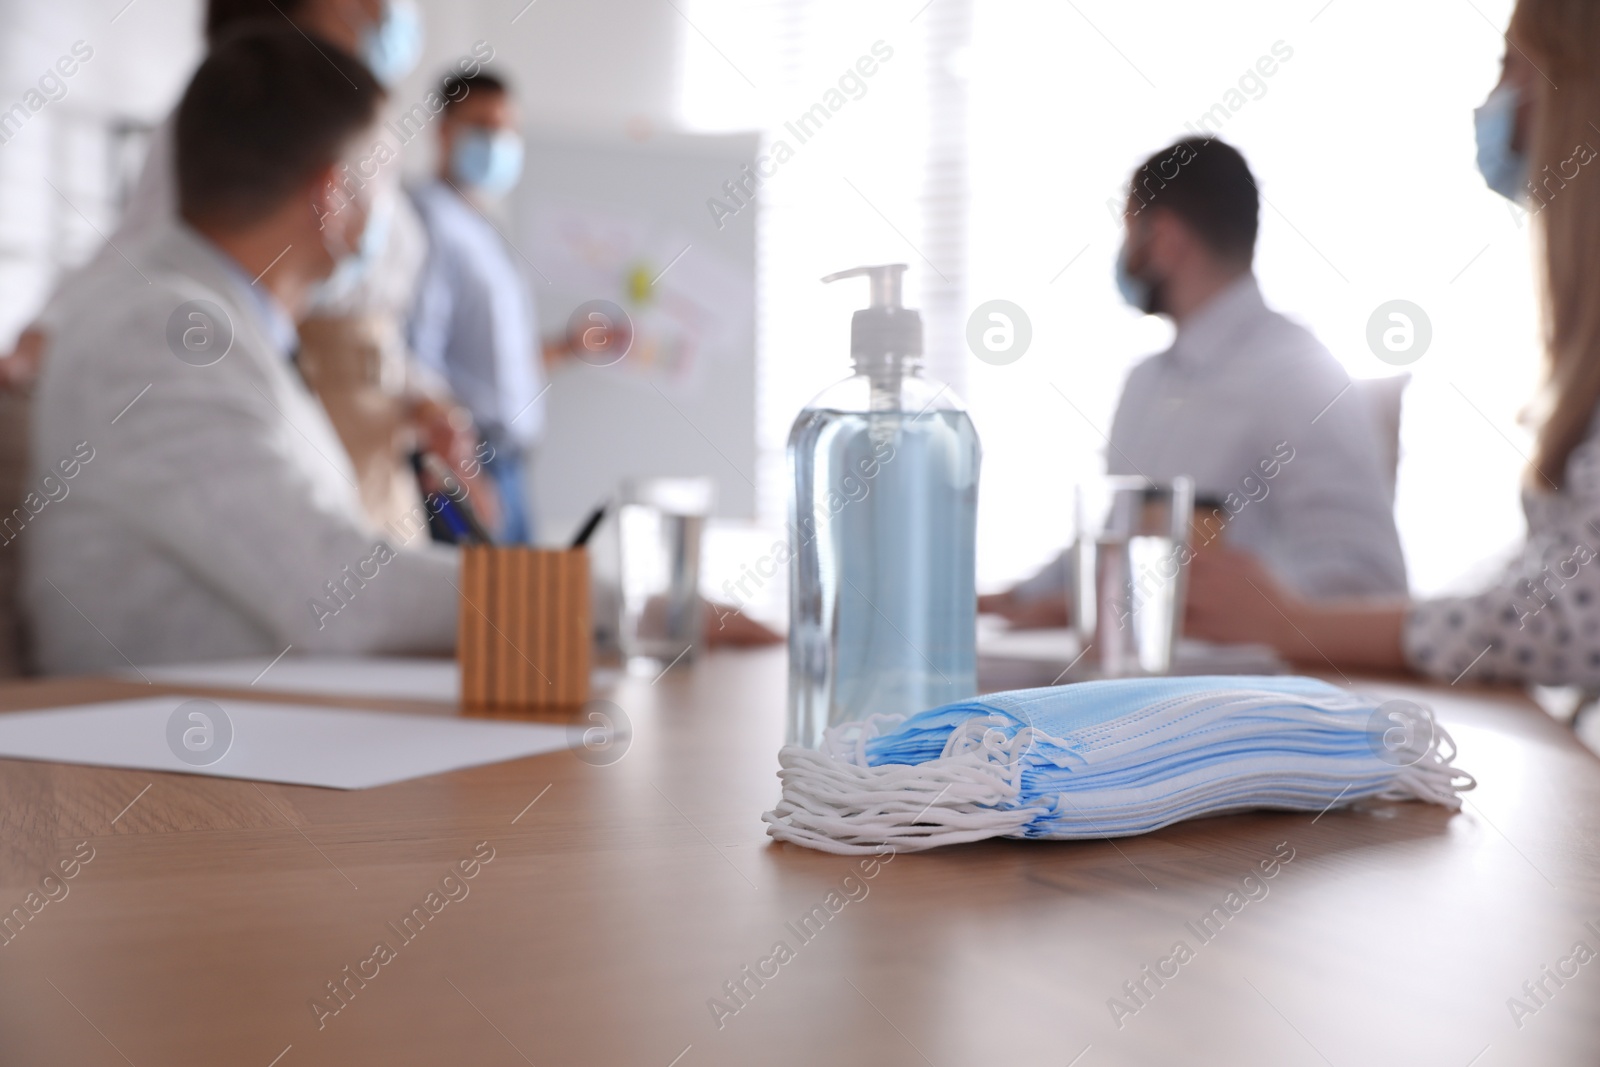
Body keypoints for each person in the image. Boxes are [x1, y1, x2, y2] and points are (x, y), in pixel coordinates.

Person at [1185, 0, 1600, 685]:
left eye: (1508, 66)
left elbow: (1575, 616)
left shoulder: (1294, 376)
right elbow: (1549, 571)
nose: (1493, 100)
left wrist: (1294, 622)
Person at [23, 28, 457, 673]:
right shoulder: (157, 331)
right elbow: (345, 600)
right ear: (332, 198)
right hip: (171, 757)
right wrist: (606, 594)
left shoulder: (223, 324)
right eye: (384, 177)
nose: (394, 214)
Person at [982, 137, 1407, 626]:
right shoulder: (1147, 382)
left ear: (1163, 238)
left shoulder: (1300, 378)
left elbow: (1368, 585)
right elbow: (1115, 539)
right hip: (1140, 672)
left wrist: (1151, 602)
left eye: (1129, 232)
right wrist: (1009, 601)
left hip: (1249, 687)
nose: (1125, 257)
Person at [408, 71, 603, 544]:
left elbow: (494, 359)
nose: (496, 140)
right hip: (468, 460)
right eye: (481, 125)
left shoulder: (482, 226)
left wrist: (568, 347)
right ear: (444, 131)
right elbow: (416, 356)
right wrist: (461, 468)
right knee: (477, 611)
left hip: (509, 463)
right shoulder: (426, 220)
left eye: (506, 129)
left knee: (519, 608)